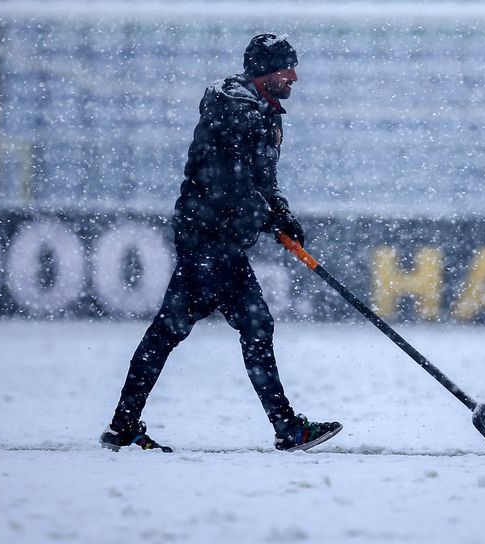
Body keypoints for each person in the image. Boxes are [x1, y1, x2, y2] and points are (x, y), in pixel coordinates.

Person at [100, 34, 342, 453]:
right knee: (243, 324)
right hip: (207, 237)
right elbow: (225, 181)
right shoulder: (234, 110)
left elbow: (261, 180)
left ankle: (123, 426)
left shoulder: (267, 114)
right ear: (266, 70)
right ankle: (286, 428)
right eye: (288, 68)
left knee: (176, 330)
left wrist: (280, 212)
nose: (296, 77)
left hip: (220, 238)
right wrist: (264, 216)